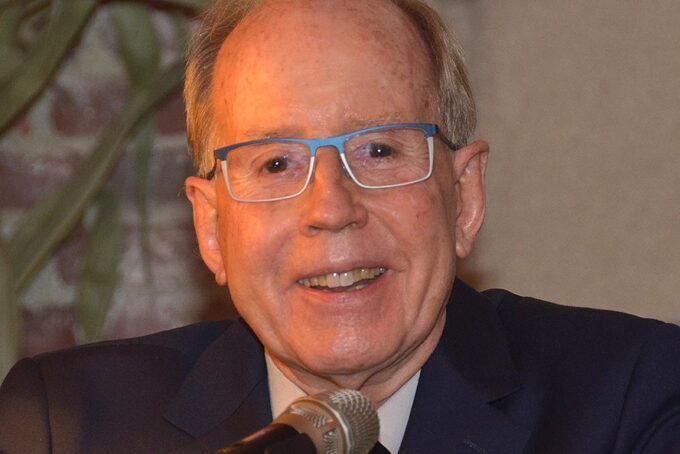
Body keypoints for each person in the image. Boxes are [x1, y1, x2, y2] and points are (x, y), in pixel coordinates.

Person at [1, 0, 679, 452]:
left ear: (464, 197)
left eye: (379, 151)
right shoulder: (64, 423)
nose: (330, 208)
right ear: (210, 228)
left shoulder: (635, 400)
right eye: (274, 163)